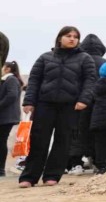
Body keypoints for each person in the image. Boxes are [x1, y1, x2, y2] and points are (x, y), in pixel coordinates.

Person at [19, 26, 96, 188]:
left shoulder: (85, 58)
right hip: (44, 104)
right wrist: (29, 102)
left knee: (63, 141)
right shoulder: (45, 57)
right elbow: (34, 80)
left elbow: (90, 81)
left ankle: (52, 175)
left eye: (75, 36)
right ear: (60, 38)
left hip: (70, 106)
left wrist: (84, 100)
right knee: (39, 140)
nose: (72, 39)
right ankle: (29, 177)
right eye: (68, 35)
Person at [68, 33, 106, 175]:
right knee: (98, 135)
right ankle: (98, 163)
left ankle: (76, 164)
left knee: (77, 134)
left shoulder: (77, 61)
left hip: (80, 103)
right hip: (101, 106)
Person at [1, 61, 24, 177]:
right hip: (5, 116)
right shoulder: (8, 80)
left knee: (1, 141)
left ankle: (1, 169)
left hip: (6, 117)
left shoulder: (11, 80)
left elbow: (12, 95)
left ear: (8, 69)